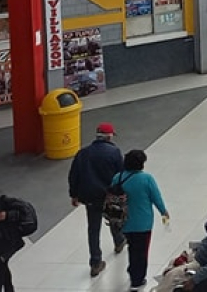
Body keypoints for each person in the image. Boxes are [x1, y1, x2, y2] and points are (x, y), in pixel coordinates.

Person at [68, 121, 125, 277]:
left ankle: (95, 262)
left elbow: (74, 175)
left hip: (90, 197)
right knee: (113, 218)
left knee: (93, 229)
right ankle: (119, 241)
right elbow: (121, 174)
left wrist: (74, 195)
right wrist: (122, 193)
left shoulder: (83, 153)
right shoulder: (114, 152)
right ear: (109, 137)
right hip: (109, 195)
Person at [111, 149, 169, 291]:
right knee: (142, 251)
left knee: (132, 247)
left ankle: (132, 271)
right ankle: (137, 279)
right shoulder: (146, 179)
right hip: (143, 223)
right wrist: (164, 212)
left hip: (124, 222)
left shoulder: (118, 178)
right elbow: (156, 198)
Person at [154, 201, 207, 292]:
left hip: (200, 264)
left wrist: (194, 280)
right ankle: (164, 285)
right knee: (173, 262)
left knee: (172, 275)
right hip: (200, 255)